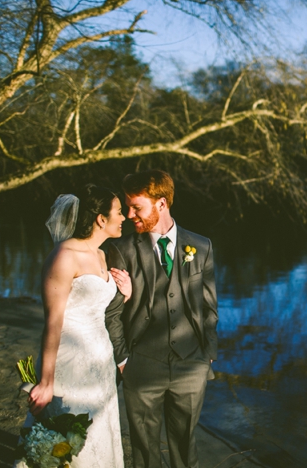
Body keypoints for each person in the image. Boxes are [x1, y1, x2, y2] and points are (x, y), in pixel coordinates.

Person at [104, 169, 218, 468]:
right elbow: (112, 312)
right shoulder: (121, 249)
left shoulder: (201, 246)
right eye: (128, 208)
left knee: (185, 449)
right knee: (144, 453)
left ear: (162, 204)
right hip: (140, 365)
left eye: (136, 207)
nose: (129, 215)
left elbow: (209, 308)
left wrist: (208, 356)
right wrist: (123, 359)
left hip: (191, 365)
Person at [16, 184, 132, 468]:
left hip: (101, 362)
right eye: (118, 212)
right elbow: (53, 322)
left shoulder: (103, 255)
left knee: (100, 432)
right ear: (101, 219)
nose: (124, 217)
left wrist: (125, 294)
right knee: (71, 438)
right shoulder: (64, 257)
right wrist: (46, 382)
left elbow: (100, 308)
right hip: (71, 362)